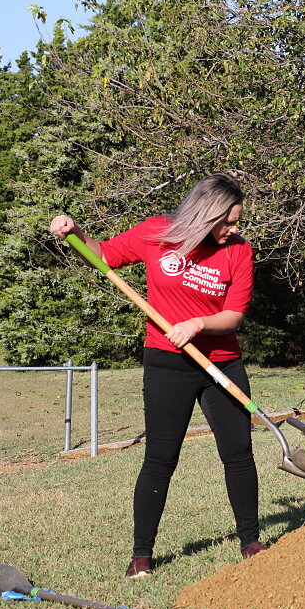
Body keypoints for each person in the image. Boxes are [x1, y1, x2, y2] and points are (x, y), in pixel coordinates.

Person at [49, 173, 263, 579]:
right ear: (206, 215)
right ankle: (142, 555)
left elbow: (234, 315)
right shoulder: (157, 233)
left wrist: (198, 324)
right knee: (161, 458)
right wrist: (75, 232)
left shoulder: (238, 251)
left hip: (221, 363)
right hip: (168, 364)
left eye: (237, 222)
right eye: (228, 222)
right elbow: (104, 254)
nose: (234, 229)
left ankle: (251, 542)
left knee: (238, 453)